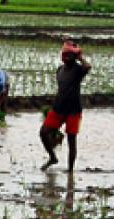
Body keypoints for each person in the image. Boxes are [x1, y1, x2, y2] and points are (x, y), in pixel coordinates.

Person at [40, 40, 91, 172]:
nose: (68, 57)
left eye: (71, 55)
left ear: (75, 57)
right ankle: (52, 157)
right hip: (58, 108)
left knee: (71, 141)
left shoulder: (78, 70)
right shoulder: (59, 70)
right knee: (43, 132)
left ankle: (70, 172)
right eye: (66, 55)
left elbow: (88, 67)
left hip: (73, 110)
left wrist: (80, 57)